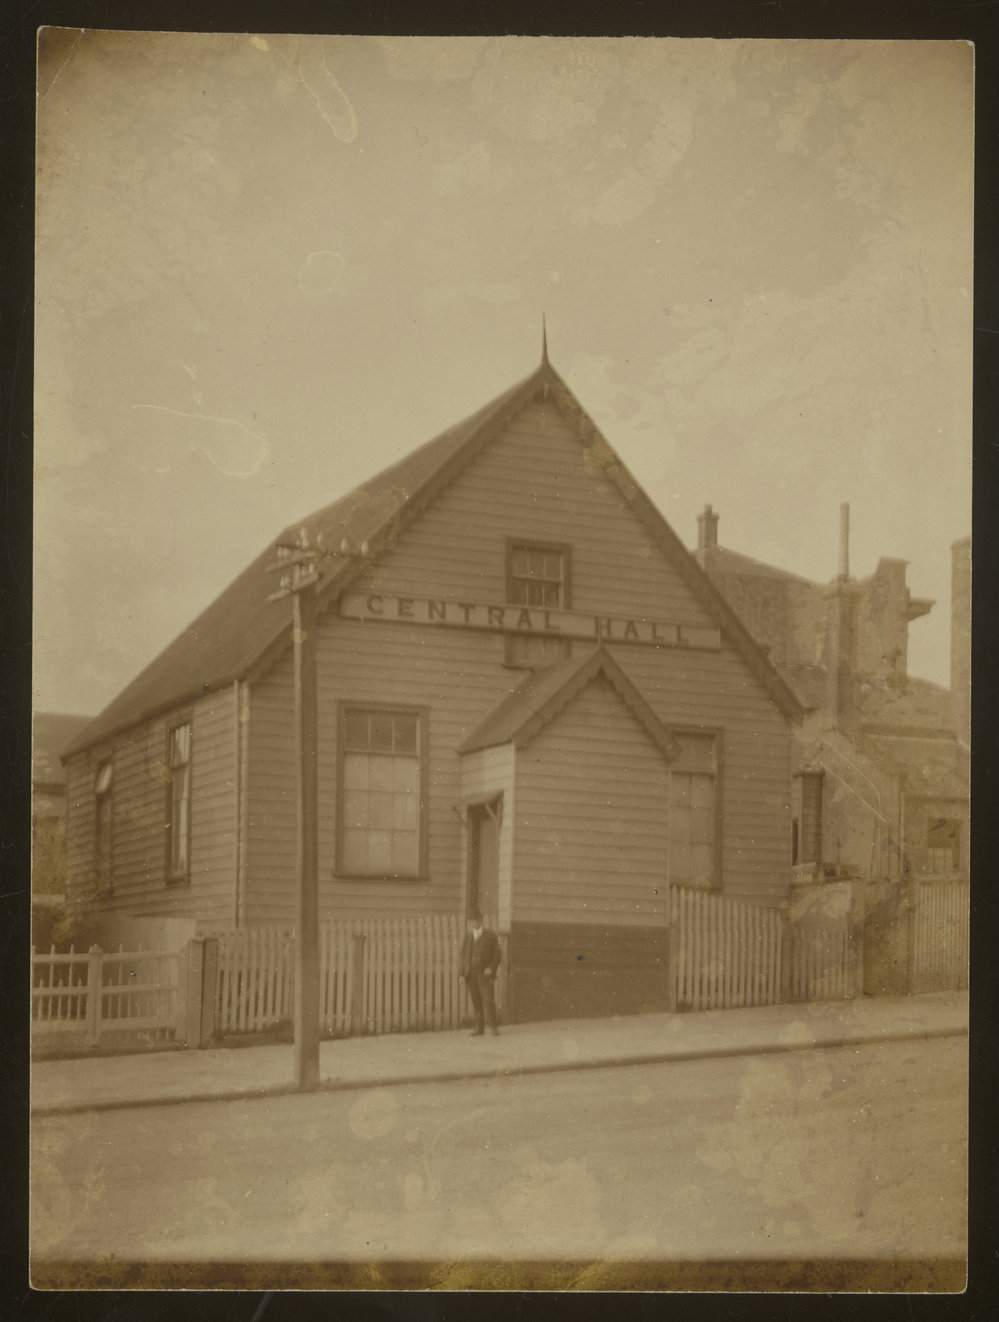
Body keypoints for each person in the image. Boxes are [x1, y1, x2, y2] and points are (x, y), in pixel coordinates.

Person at [459, 910, 501, 1036]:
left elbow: (497, 954)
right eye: (471, 920)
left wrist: (491, 968)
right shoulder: (468, 936)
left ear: (481, 920)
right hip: (471, 973)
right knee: (476, 1000)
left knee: (488, 999)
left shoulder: (491, 935)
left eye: (476, 919)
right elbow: (462, 957)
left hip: (485, 974)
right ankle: (479, 1028)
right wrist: (461, 974)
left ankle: (493, 1027)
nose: (473, 922)